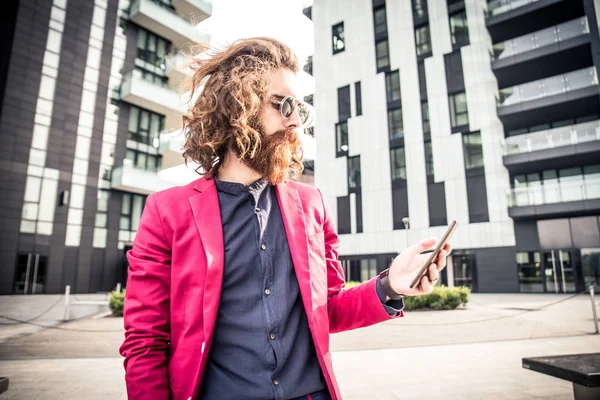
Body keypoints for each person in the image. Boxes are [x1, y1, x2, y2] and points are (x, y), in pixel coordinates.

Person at [119, 37, 452, 400]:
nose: (296, 120)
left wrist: (391, 285)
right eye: (284, 105)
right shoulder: (166, 211)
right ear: (238, 107)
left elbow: (328, 309)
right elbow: (145, 341)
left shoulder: (311, 203)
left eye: (301, 109)